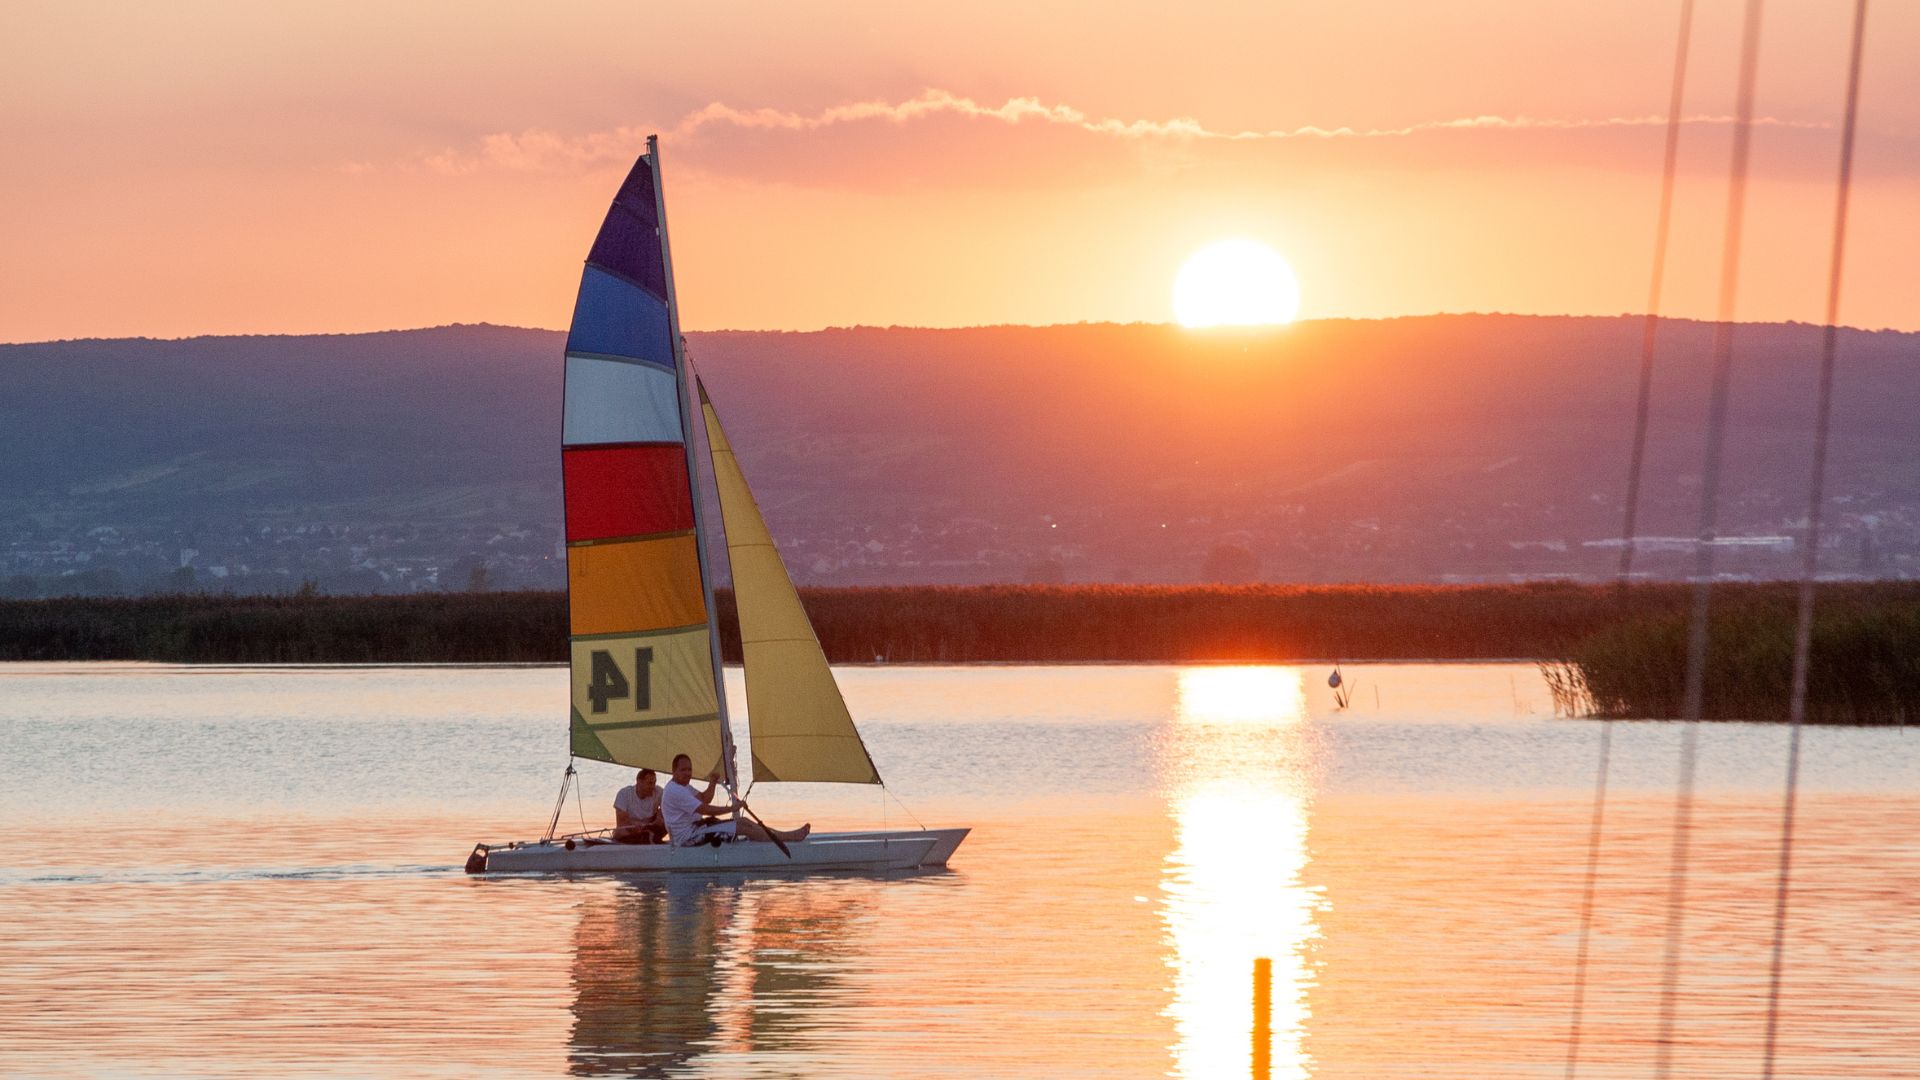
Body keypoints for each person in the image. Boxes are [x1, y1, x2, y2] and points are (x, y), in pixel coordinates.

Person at [660, 753, 811, 847]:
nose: (687, 773)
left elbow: (705, 799)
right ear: (674, 771)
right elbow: (705, 809)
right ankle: (789, 838)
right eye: (683, 770)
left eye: (689, 769)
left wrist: (712, 782)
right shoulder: (675, 791)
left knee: (744, 821)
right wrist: (732, 808)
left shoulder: (683, 786)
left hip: (697, 828)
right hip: (687, 838)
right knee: (742, 828)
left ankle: (785, 835)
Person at [612, 768, 667, 844]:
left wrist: (660, 816)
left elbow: (669, 807)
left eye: (654, 783)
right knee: (620, 831)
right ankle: (645, 838)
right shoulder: (624, 793)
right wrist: (634, 827)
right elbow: (621, 820)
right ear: (639, 782)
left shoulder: (658, 792)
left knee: (667, 822)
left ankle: (647, 838)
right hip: (630, 828)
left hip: (650, 827)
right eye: (650, 783)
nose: (653, 787)